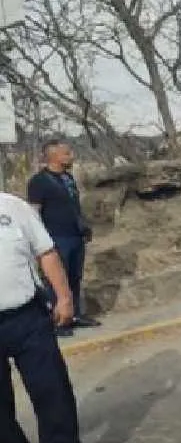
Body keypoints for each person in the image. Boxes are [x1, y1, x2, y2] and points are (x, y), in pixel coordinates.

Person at [1, 192, 96, 443]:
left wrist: (65, 297)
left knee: (53, 392)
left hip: (27, 316)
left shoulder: (12, 206)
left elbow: (46, 251)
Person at [27, 140, 101, 337]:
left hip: (75, 235)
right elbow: (34, 213)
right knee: (58, 280)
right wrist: (40, 241)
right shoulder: (39, 182)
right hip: (55, 237)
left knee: (75, 277)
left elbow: (73, 206)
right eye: (67, 154)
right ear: (54, 157)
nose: (72, 156)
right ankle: (59, 321)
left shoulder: (68, 178)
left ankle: (75, 314)